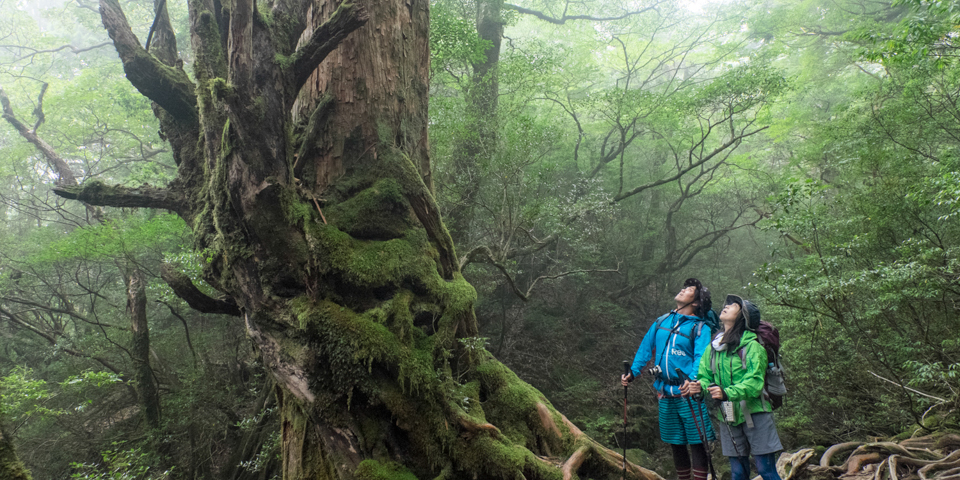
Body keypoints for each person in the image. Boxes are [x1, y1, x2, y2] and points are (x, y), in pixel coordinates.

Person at [621, 278, 716, 480]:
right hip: (665, 391)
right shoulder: (661, 321)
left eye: (689, 290)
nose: (683, 290)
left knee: (698, 442)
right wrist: (633, 373)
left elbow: (702, 358)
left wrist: (691, 381)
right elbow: (645, 350)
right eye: (684, 287)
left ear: (697, 303)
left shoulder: (701, 328)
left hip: (688, 393)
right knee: (676, 442)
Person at [682, 295, 783, 480]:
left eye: (733, 305)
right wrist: (699, 387)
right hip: (728, 415)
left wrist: (727, 392)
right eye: (727, 304)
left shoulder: (753, 347)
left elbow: (754, 383)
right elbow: (705, 376)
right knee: (737, 472)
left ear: (742, 317)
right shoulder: (713, 348)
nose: (726, 306)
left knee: (765, 470)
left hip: (756, 413)